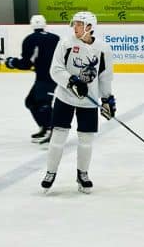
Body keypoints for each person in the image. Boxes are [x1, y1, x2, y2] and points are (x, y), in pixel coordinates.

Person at [41, 11, 115, 193]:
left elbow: (105, 77)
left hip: (89, 102)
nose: (75, 27)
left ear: (90, 27)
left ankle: (82, 174)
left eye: (79, 24)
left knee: (86, 140)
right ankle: (50, 172)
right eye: (74, 24)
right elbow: (55, 69)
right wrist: (71, 81)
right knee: (58, 137)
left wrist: (107, 99)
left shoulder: (103, 49)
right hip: (64, 98)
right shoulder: (65, 43)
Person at [4, 14, 60, 144]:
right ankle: (45, 127)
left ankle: (54, 131)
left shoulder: (30, 39)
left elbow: (26, 64)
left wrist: (12, 62)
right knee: (31, 101)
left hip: (46, 77)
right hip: (54, 75)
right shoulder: (55, 38)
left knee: (42, 103)